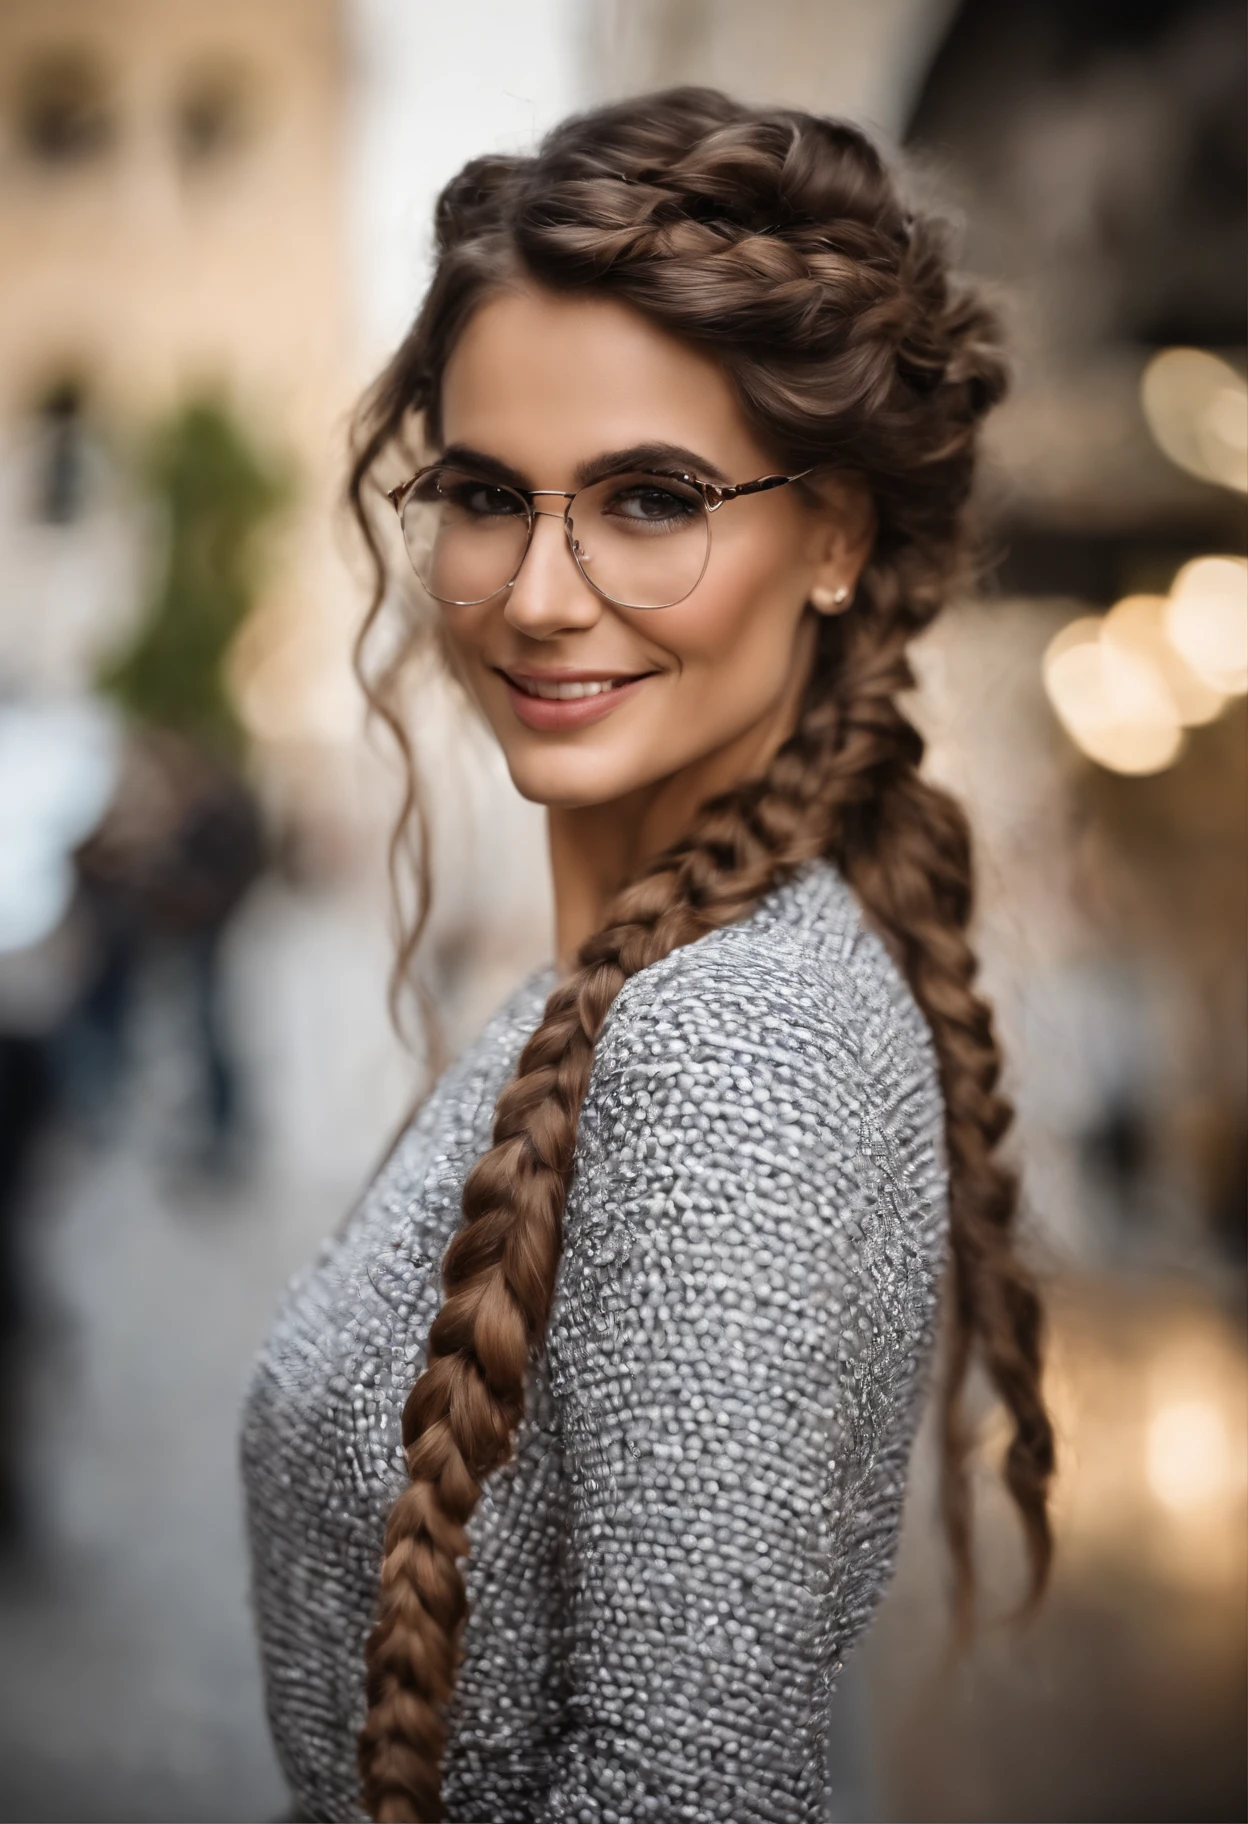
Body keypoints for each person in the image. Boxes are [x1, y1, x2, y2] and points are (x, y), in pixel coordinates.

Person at [241, 88, 1057, 1824]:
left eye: (651, 497)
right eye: (484, 492)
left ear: (834, 535)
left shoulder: (728, 1054)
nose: (539, 592)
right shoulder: (627, 985)